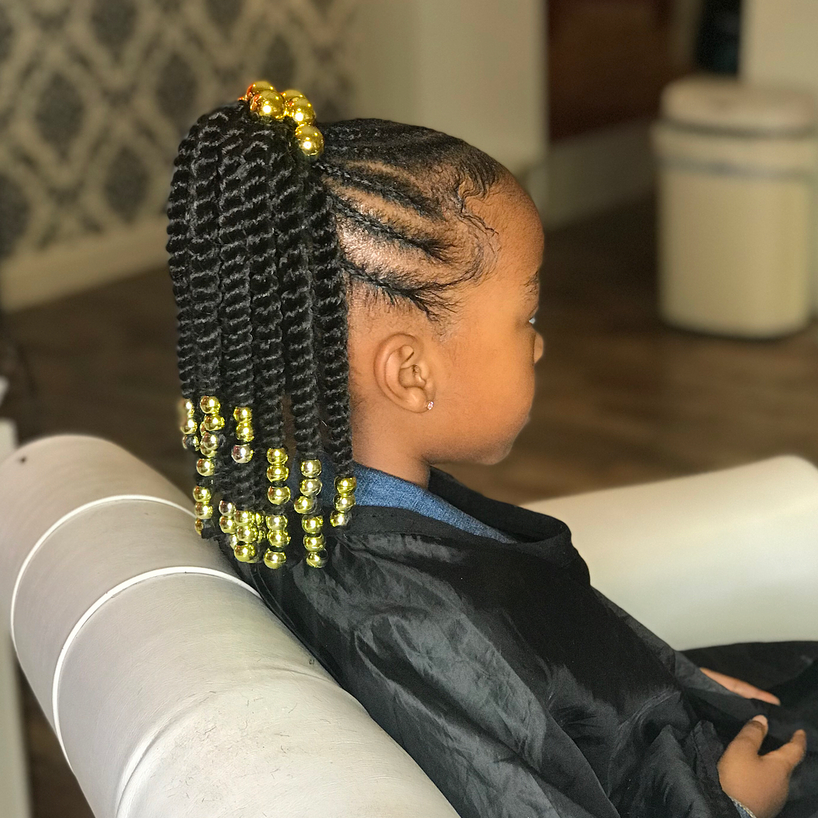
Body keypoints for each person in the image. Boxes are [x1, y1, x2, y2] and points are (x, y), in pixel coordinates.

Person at [167, 83, 816, 818]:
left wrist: (674, 680)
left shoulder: (314, 517)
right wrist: (734, 807)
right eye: (525, 315)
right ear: (412, 372)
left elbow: (560, 668)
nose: (538, 343)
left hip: (674, 734)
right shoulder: (413, 629)